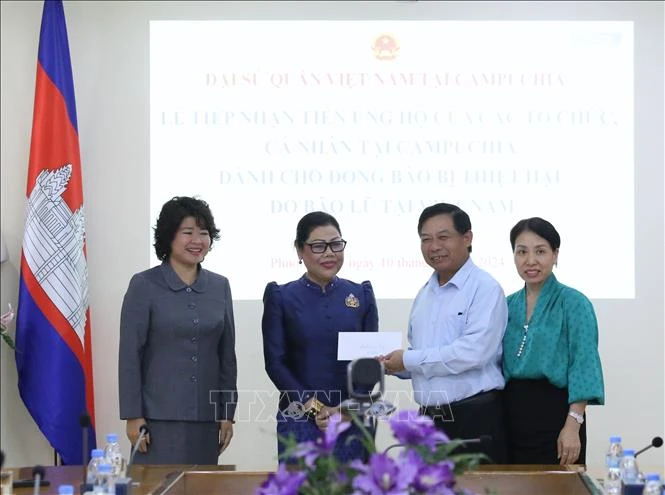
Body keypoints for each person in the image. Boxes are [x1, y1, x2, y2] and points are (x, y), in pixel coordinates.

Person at [380, 202, 508, 463]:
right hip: (429, 419)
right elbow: (421, 356)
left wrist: (408, 360)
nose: (434, 247)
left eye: (443, 237)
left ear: (467, 238)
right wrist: (392, 365)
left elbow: (473, 353)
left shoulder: (485, 288)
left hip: (474, 418)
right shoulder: (424, 294)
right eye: (426, 240)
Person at [118, 196, 237, 464]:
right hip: (156, 420)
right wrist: (133, 415)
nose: (197, 240)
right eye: (188, 232)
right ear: (169, 237)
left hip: (206, 421)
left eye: (204, 233)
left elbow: (226, 357)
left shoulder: (220, 286)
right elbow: (130, 355)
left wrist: (227, 413)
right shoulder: (143, 285)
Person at [262, 211, 379, 463]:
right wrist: (314, 407)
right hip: (299, 418)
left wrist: (347, 410)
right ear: (299, 250)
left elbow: (370, 360)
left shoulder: (361, 295)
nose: (329, 253)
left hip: (354, 419)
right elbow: (275, 362)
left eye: (336, 244)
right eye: (318, 246)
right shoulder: (281, 297)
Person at [502, 217, 604, 465]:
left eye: (540, 251)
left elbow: (584, 364)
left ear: (555, 254)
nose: (530, 261)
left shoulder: (574, 302)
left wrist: (573, 425)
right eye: (521, 251)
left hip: (557, 415)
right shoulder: (505, 305)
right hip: (509, 414)